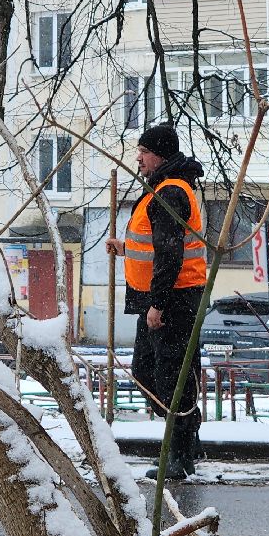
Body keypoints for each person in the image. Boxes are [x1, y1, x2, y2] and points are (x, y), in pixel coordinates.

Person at [106, 124, 207, 480]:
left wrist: (158, 305)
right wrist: (125, 249)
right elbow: (153, 246)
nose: (138, 157)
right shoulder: (162, 190)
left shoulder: (170, 193)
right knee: (150, 373)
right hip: (163, 298)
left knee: (171, 377)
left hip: (173, 301)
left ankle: (181, 455)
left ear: (160, 155)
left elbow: (170, 254)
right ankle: (187, 442)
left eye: (144, 152)